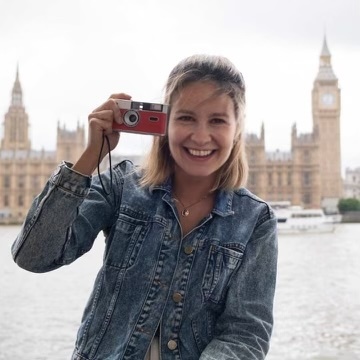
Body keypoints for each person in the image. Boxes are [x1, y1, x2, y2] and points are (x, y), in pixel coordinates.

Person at [12, 54, 278, 360]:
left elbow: (245, 334)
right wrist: (90, 157)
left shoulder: (255, 220)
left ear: (237, 129)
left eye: (217, 120)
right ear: (164, 123)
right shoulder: (121, 187)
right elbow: (34, 256)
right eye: (186, 118)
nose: (201, 136)